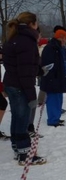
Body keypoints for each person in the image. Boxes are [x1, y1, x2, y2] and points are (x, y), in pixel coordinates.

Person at [2, 11, 46, 165]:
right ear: (32, 24)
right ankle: (24, 154)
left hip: (12, 82)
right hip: (20, 85)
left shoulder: (14, 38)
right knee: (22, 118)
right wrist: (31, 95)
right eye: (37, 23)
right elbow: (24, 70)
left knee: (17, 116)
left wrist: (39, 70)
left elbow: (22, 65)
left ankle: (17, 147)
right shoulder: (26, 41)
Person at [40, 28, 66, 127]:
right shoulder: (50, 48)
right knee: (53, 99)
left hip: (60, 78)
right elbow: (48, 64)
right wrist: (52, 76)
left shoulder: (62, 48)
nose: (65, 41)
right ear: (61, 38)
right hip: (53, 78)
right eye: (65, 38)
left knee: (59, 98)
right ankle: (53, 120)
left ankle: (56, 117)